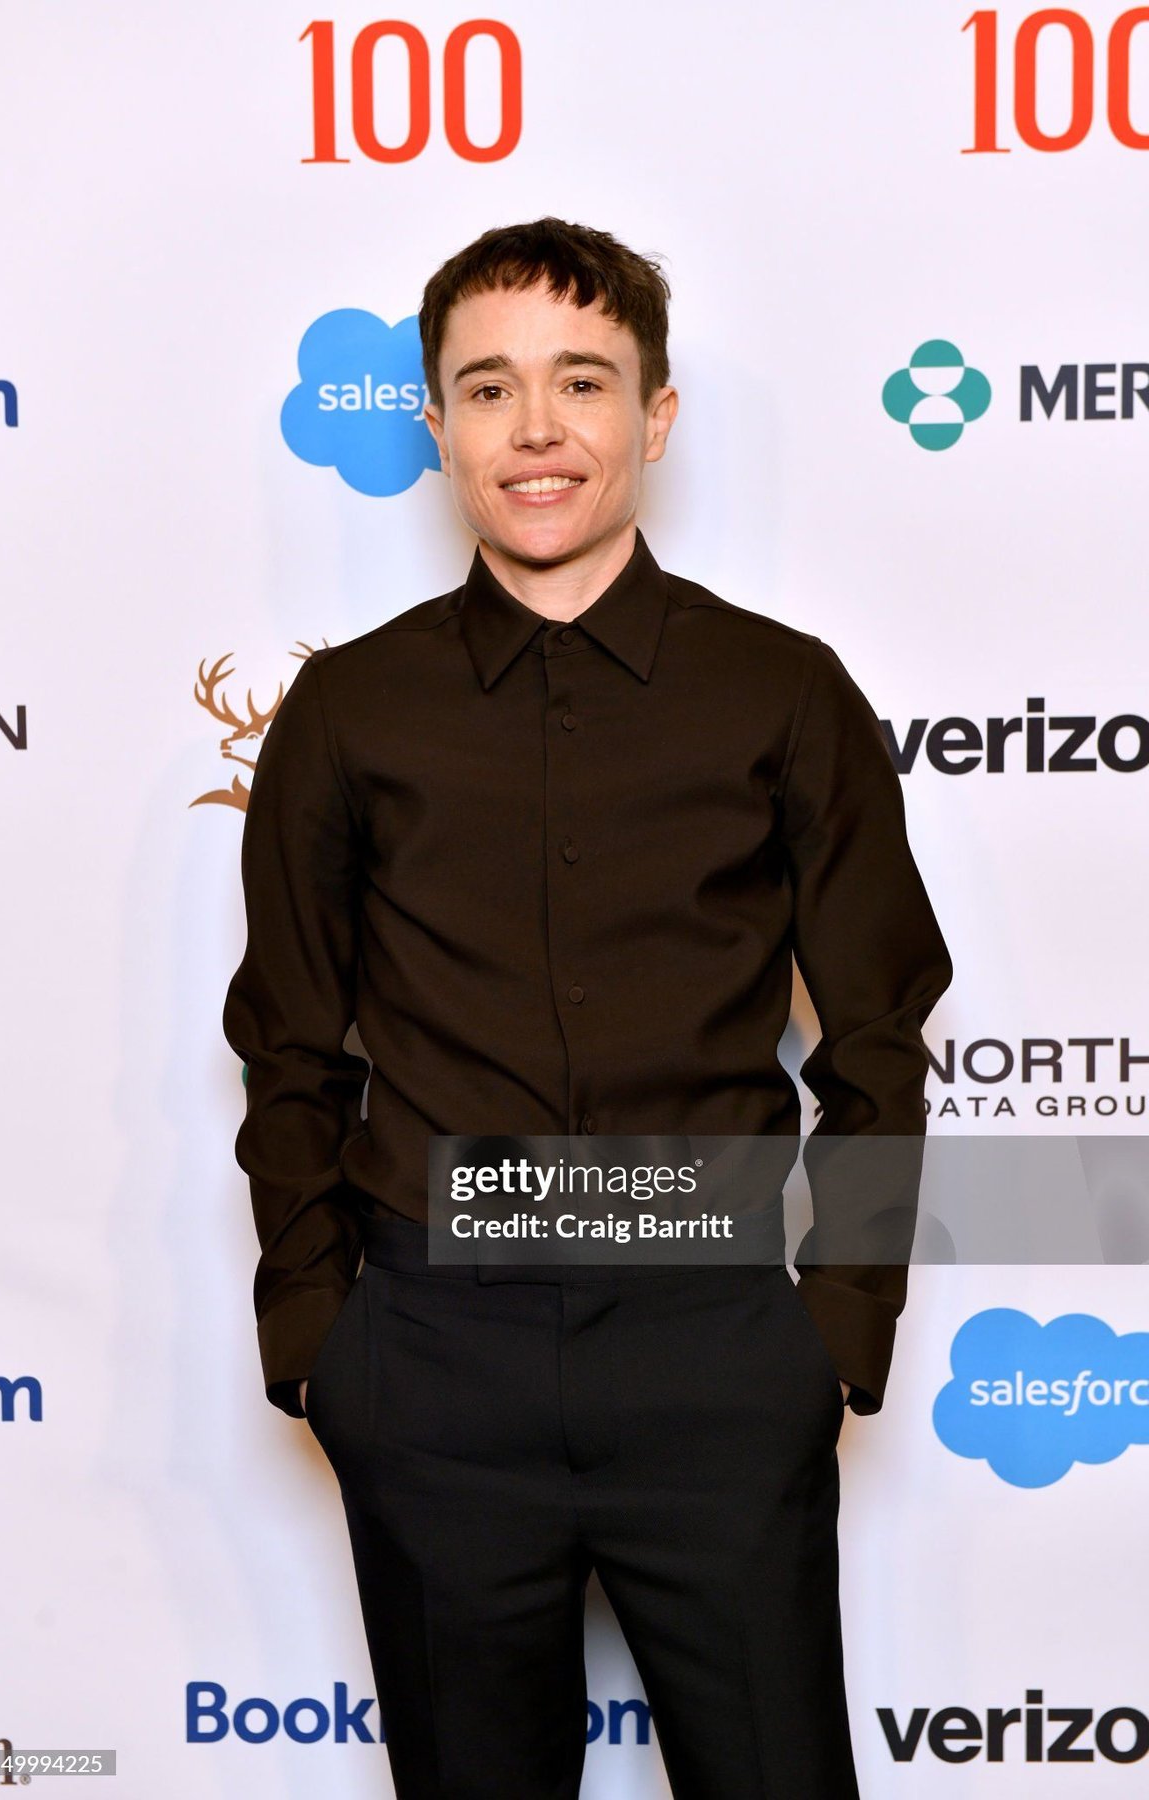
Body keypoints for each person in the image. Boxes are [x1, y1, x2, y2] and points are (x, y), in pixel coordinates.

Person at [222, 216, 954, 1798]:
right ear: (438, 426)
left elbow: (880, 1040)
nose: (536, 429)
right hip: (432, 1362)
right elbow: (287, 1049)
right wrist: (322, 1338)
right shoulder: (348, 711)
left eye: (582, 381)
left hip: (715, 1349)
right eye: (490, 389)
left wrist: (833, 1328)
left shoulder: (784, 692)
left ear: (656, 415)